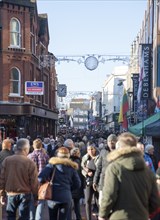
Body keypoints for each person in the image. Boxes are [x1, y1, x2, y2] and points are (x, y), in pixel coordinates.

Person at [98, 132, 160, 220]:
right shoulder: (147, 170)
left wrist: (102, 214)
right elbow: (155, 201)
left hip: (120, 216)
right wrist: (143, 211)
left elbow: (109, 195)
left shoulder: (114, 168)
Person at [38, 147, 81, 220]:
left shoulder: (52, 165)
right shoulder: (72, 167)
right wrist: (68, 188)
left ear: (57, 155)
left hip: (53, 196)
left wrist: (46, 183)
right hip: (66, 195)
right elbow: (78, 184)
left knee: (52, 218)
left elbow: (40, 178)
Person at [0, 138, 38, 220]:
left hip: (11, 193)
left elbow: (2, 179)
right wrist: (36, 197)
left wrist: (2, 194)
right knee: (24, 217)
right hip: (25, 193)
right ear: (25, 149)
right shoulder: (30, 162)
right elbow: (34, 182)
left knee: (10, 216)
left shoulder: (7, 160)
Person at [27, 138, 50, 220]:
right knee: (40, 203)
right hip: (43, 183)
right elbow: (49, 170)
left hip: (31, 182)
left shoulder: (29, 156)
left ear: (33, 146)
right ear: (41, 145)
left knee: (31, 204)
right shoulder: (46, 156)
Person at [93, 134, 117, 206]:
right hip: (103, 181)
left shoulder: (120, 151)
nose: (111, 142)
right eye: (109, 141)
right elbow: (99, 167)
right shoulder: (103, 151)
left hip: (115, 182)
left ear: (116, 142)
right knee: (102, 204)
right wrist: (95, 180)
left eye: (113, 141)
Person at [81, 143, 99, 220]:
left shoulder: (99, 157)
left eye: (92, 149)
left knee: (98, 200)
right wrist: (86, 173)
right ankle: (89, 218)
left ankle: (99, 216)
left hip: (97, 181)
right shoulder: (85, 158)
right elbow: (82, 168)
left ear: (95, 149)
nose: (90, 151)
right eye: (89, 149)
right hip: (88, 181)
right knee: (87, 200)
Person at [70, 147, 84, 220]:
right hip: (77, 186)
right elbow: (79, 175)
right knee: (76, 205)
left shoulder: (69, 161)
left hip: (70, 186)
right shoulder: (79, 162)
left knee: (69, 206)